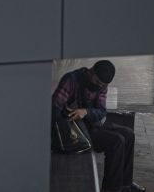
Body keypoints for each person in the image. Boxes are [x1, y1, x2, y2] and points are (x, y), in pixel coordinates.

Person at [52, 60, 145, 192]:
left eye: (102, 85)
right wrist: (67, 126)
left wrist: (86, 112)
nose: (98, 86)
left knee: (128, 134)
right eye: (96, 82)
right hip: (77, 131)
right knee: (117, 141)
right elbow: (55, 107)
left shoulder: (101, 86)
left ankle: (125, 185)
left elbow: (101, 111)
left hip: (92, 124)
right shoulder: (71, 80)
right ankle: (111, 189)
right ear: (91, 72)